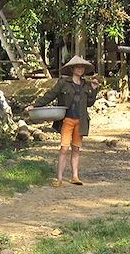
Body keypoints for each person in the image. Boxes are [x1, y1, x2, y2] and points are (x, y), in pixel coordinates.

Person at [26, 55, 100, 187]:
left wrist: (94, 90)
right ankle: (59, 178)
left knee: (76, 149)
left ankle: (75, 176)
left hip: (81, 121)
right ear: (72, 69)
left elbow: (89, 103)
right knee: (64, 148)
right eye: (77, 66)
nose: (80, 69)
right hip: (67, 120)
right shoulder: (63, 83)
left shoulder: (86, 85)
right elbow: (50, 95)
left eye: (82, 67)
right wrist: (35, 105)